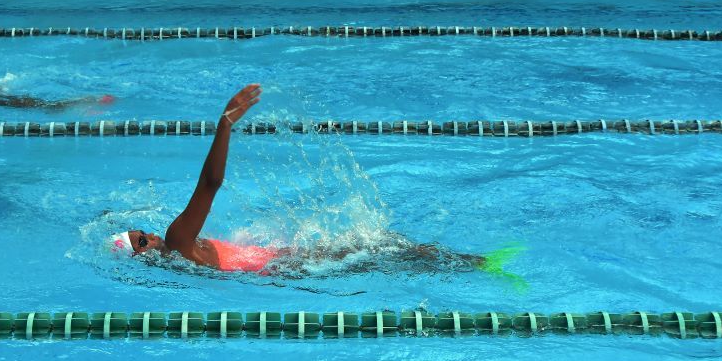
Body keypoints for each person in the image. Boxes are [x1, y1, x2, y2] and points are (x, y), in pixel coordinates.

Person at [113, 83, 487, 275]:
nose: (153, 235)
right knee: (386, 252)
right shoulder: (178, 243)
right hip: (289, 269)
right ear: (142, 255)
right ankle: (479, 264)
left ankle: (470, 263)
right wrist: (225, 124)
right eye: (142, 240)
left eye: (142, 230)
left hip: (286, 265)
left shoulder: (181, 256)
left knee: (387, 252)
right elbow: (210, 185)